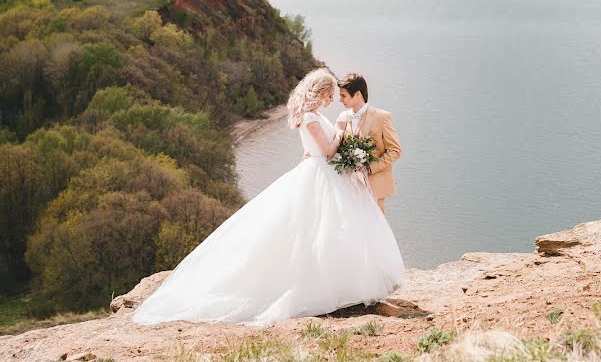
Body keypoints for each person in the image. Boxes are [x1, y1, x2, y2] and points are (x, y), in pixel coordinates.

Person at [132, 69, 404, 325]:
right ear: (319, 93)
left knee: (327, 230)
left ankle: (342, 280)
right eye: (329, 94)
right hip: (321, 175)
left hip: (323, 174)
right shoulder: (310, 118)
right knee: (316, 230)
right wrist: (343, 129)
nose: (332, 99)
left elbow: (316, 150)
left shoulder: (313, 116)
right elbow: (329, 150)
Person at [336, 73, 402, 213]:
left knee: (375, 231)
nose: (340, 100)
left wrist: (370, 168)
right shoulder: (343, 117)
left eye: (343, 95)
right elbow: (336, 147)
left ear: (358, 94)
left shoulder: (382, 117)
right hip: (349, 187)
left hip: (375, 187)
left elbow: (395, 150)